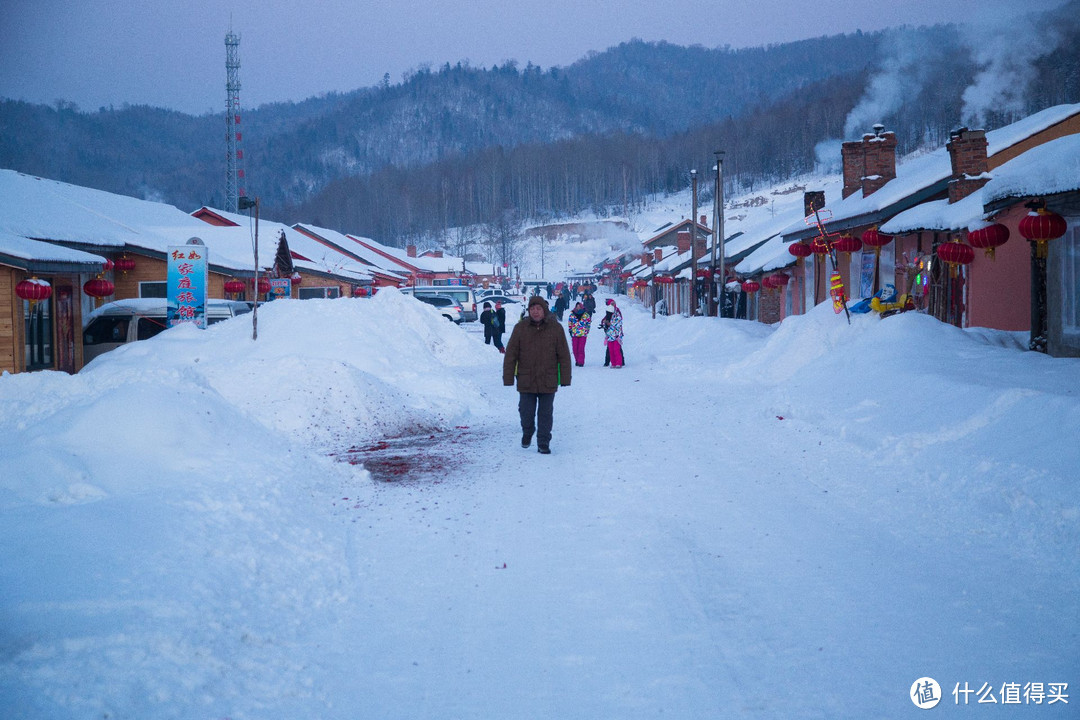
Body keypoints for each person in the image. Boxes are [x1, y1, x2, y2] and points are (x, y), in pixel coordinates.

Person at [503, 295, 572, 454]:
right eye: (532, 309)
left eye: (538, 309)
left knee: (545, 414)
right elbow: (511, 355)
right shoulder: (520, 328)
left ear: (544, 310)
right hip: (526, 378)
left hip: (548, 378)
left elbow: (564, 355)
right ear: (529, 310)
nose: (535, 312)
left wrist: (566, 377)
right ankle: (528, 431)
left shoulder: (556, 328)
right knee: (525, 412)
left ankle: (543, 442)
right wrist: (508, 377)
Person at [567, 301, 591, 367]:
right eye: (577, 306)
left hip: (583, 334)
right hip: (574, 334)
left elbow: (588, 323)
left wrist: (587, 330)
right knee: (575, 348)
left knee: (581, 348)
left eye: (579, 306)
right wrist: (570, 329)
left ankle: (581, 362)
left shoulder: (586, 315)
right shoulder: (572, 315)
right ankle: (577, 360)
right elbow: (570, 323)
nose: (578, 307)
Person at [602, 299, 624, 368]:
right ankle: (613, 363)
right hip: (610, 335)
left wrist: (610, 324)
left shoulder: (617, 312)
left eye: (613, 303)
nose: (613, 304)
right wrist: (604, 324)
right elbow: (604, 321)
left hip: (616, 334)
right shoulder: (608, 313)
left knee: (617, 349)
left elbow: (619, 322)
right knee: (611, 350)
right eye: (611, 303)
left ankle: (619, 363)